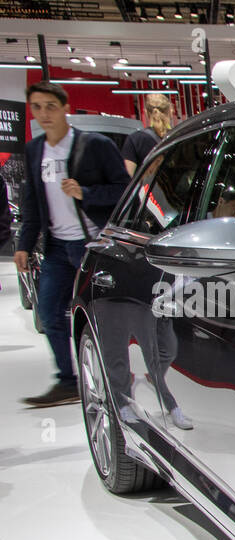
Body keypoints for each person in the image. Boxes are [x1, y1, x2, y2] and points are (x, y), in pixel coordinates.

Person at [15, 81, 129, 408]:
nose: (44, 114)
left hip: (90, 244)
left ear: (65, 107)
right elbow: (33, 203)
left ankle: (113, 377)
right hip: (55, 247)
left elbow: (124, 190)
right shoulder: (35, 150)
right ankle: (68, 380)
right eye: (37, 107)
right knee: (50, 312)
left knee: (99, 316)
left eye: (50, 106)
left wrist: (86, 193)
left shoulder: (94, 145)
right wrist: (24, 244)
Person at [121, 93, 174, 176]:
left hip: (148, 188)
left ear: (146, 113)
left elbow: (127, 176)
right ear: (170, 112)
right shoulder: (179, 137)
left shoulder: (135, 140)